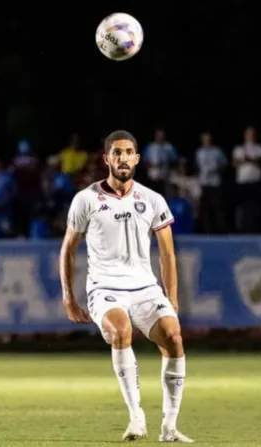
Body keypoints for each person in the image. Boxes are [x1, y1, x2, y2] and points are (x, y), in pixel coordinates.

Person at [59, 130, 193, 443]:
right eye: (116, 152)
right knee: (121, 331)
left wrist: (171, 296)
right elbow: (67, 249)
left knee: (173, 336)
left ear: (137, 159)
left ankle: (169, 429)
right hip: (105, 287)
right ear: (106, 158)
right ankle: (136, 418)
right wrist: (69, 298)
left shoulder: (153, 199)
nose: (123, 158)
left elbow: (168, 252)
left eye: (128, 152)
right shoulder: (86, 199)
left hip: (145, 288)